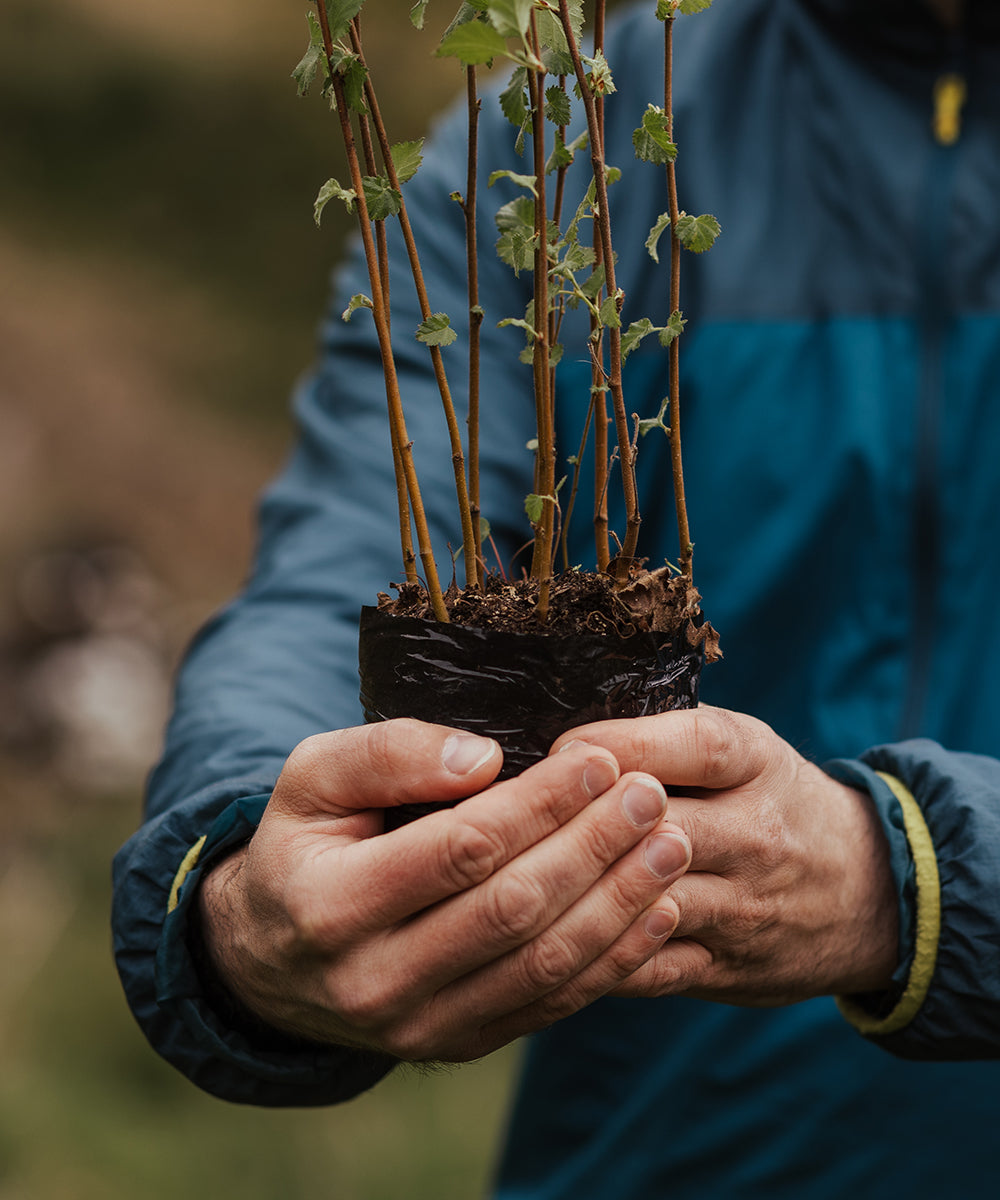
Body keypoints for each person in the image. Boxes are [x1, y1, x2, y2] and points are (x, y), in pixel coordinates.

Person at [113, 0, 1000, 1194]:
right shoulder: (570, 124)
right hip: (656, 1156)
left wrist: (911, 878)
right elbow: (344, 576)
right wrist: (229, 873)